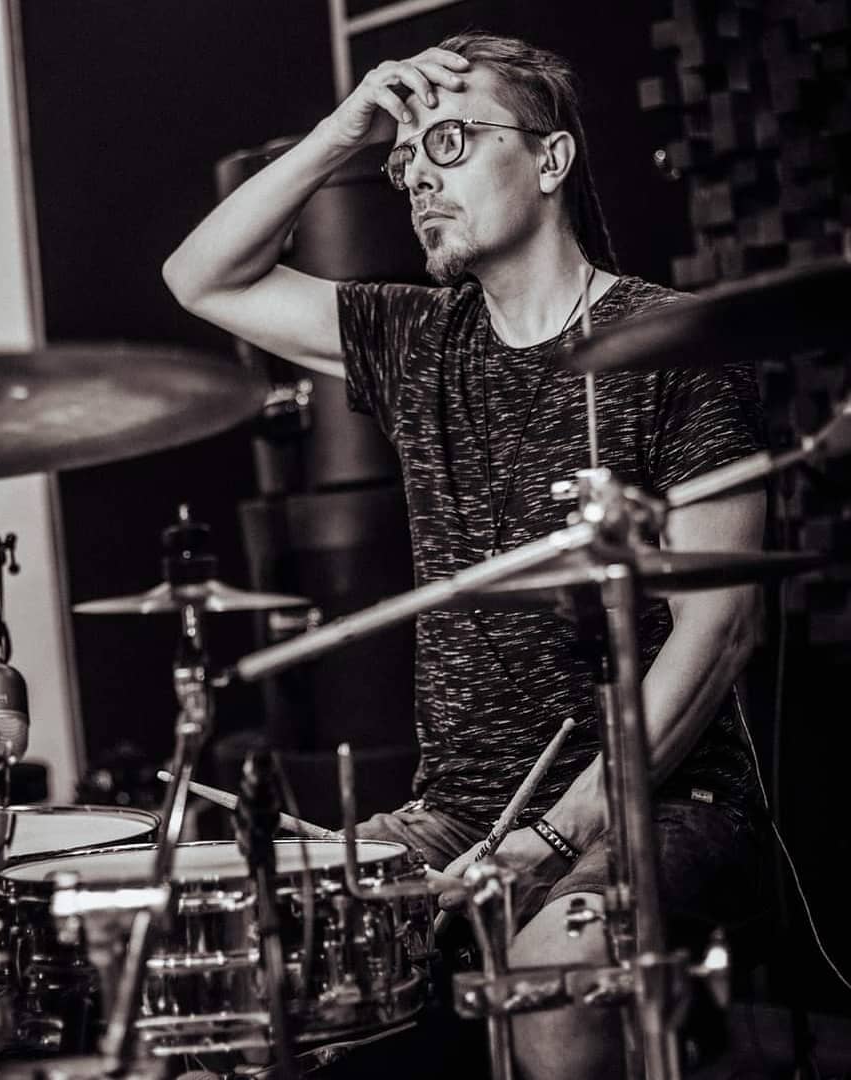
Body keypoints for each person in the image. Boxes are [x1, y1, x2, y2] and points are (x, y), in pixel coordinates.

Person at [164, 32, 767, 1080]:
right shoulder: (417, 341)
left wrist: (562, 832)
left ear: (550, 159)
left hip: (660, 805)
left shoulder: (677, 343)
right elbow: (198, 278)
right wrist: (344, 131)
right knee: (251, 955)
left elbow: (720, 627)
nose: (417, 178)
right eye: (405, 161)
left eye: (448, 143)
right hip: (454, 815)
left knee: (550, 993)